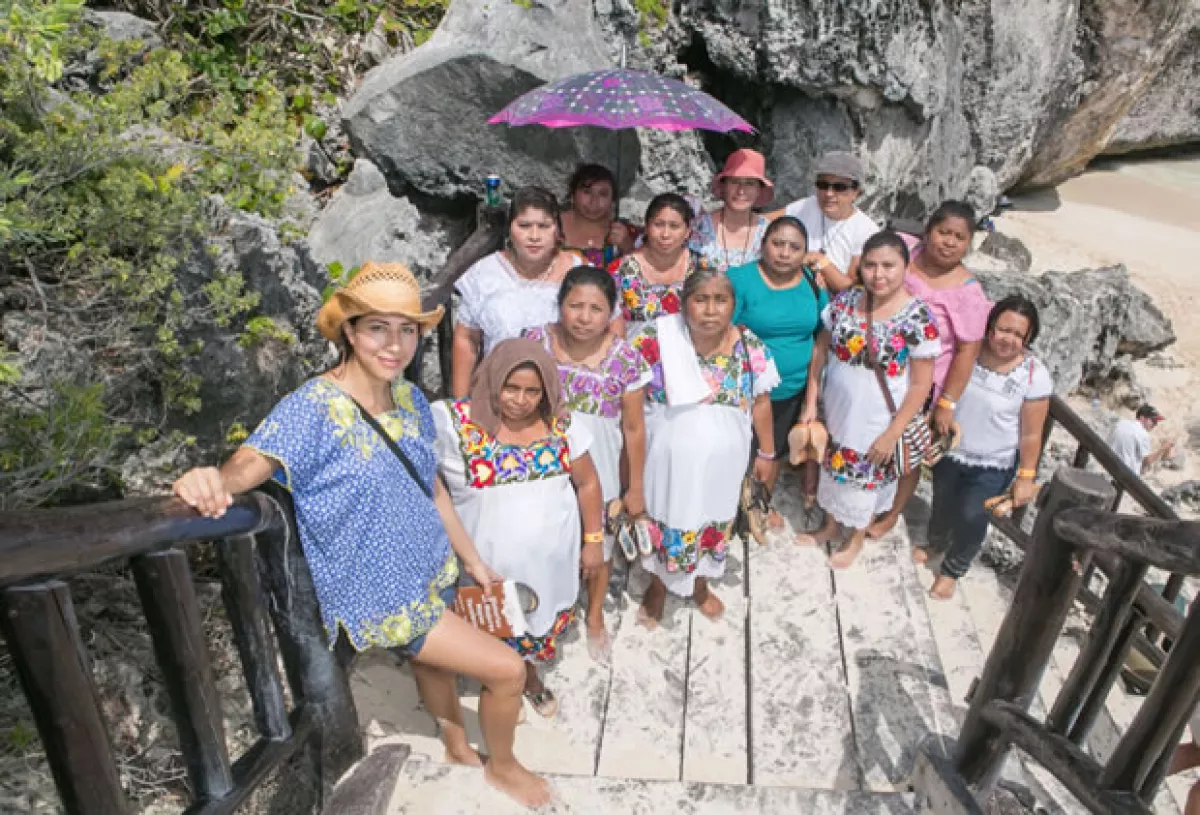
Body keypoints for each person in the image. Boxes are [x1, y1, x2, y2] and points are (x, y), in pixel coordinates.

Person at [171, 263, 550, 806]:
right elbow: (252, 461)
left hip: (431, 565)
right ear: (348, 330)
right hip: (383, 594)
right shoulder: (314, 407)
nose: (395, 345)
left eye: (407, 330)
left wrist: (472, 561)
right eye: (378, 328)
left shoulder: (412, 400)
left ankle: (458, 746)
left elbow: (433, 488)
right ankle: (505, 767)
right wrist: (214, 481)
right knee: (508, 671)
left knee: (434, 662)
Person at [433, 338, 605, 719]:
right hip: (484, 565)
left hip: (549, 566)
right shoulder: (453, 424)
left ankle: (528, 677)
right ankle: (500, 682)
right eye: (511, 388)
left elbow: (589, 483)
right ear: (493, 380)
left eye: (532, 391)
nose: (520, 400)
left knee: (534, 623)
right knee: (490, 626)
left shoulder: (562, 424)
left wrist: (593, 540)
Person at [629, 267, 780, 626]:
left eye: (720, 300)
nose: (710, 310)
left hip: (722, 465)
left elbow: (760, 404)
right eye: (700, 300)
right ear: (684, 305)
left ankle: (698, 585)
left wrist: (768, 453)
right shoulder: (656, 338)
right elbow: (632, 405)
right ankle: (658, 586)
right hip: (666, 461)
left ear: (733, 306)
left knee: (712, 518)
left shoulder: (748, 344)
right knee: (666, 517)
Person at [522, 266, 650, 662]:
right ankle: (539, 615)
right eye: (575, 305)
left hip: (603, 468)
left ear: (611, 312)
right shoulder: (534, 342)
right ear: (559, 305)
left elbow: (633, 428)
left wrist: (635, 488)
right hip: (543, 466)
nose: (583, 317)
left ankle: (594, 615)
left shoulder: (625, 358)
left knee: (599, 545)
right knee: (544, 541)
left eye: (596, 309)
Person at [797, 232, 939, 568]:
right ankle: (832, 525)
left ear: (906, 266)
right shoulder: (847, 300)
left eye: (889, 265)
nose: (879, 274)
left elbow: (921, 384)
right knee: (833, 464)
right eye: (871, 265)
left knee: (867, 475)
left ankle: (856, 536)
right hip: (837, 404)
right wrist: (811, 401)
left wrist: (893, 433)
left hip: (877, 415)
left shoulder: (918, 317)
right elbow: (821, 347)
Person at [868, 201, 992, 539]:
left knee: (906, 450)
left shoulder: (968, 293)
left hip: (921, 385)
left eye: (959, 237)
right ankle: (860, 497)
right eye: (943, 232)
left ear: (969, 243)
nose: (949, 242)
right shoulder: (904, 251)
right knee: (866, 435)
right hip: (875, 371)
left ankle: (892, 512)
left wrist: (948, 403)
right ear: (928, 230)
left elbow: (967, 350)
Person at [915, 296, 1052, 599]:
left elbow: (1031, 433)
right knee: (943, 502)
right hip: (952, 449)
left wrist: (1026, 476)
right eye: (1003, 330)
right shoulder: (969, 353)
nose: (1008, 339)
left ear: (1028, 338)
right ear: (990, 327)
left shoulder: (1033, 375)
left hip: (994, 462)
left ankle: (953, 569)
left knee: (972, 515)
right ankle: (936, 542)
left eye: (1018, 335)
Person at [728, 216, 827, 508]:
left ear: (804, 252)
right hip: (744, 393)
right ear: (763, 245)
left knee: (772, 454)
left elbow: (823, 336)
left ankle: (760, 506)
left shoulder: (811, 283)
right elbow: (722, 333)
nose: (785, 253)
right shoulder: (740, 280)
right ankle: (729, 511)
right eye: (777, 243)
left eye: (794, 247)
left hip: (791, 392)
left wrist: (810, 401)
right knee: (738, 455)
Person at [451, 185, 582, 397]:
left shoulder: (577, 273)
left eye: (544, 226)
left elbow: (610, 324)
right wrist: (460, 403)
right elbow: (466, 338)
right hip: (496, 392)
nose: (534, 236)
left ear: (558, 231)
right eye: (524, 225)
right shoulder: (484, 274)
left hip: (561, 396)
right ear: (510, 229)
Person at [769, 150, 878, 292]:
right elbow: (762, 223)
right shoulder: (807, 206)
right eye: (823, 185)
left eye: (839, 187)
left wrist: (821, 262)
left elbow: (852, 289)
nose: (829, 193)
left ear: (856, 191)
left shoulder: (866, 231)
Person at [609, 193, 705, 337]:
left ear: (687, 232)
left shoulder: (702, 268)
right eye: (658, 224)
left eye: (674, 226)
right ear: (646, 227)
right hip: (636, 356)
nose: (665, 234)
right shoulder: (620, 271)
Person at [688, 148, 772, 271]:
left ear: (759, 190)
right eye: (734, 181)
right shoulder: (699, 227)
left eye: (749, 183)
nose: (741, 190)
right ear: (723, 186)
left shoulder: (768, 232)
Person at [560, 163, 636, 267]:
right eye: (587, 192)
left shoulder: (627, 233)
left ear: (612, 201)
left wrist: (627, 248)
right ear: (573, 196)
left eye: (603, 194)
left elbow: (637, 279)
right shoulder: (550, 226)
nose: (594, 202)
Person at [1111, 404, 1172, 475]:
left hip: (1110, 467)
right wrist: (1163, 448)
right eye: (1153, 420)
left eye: (1156, 422)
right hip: (1126, 475)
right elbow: (1147, 461)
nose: (1155, 424)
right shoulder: (1143, 434)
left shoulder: (1121, 423)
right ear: (1142, 418)